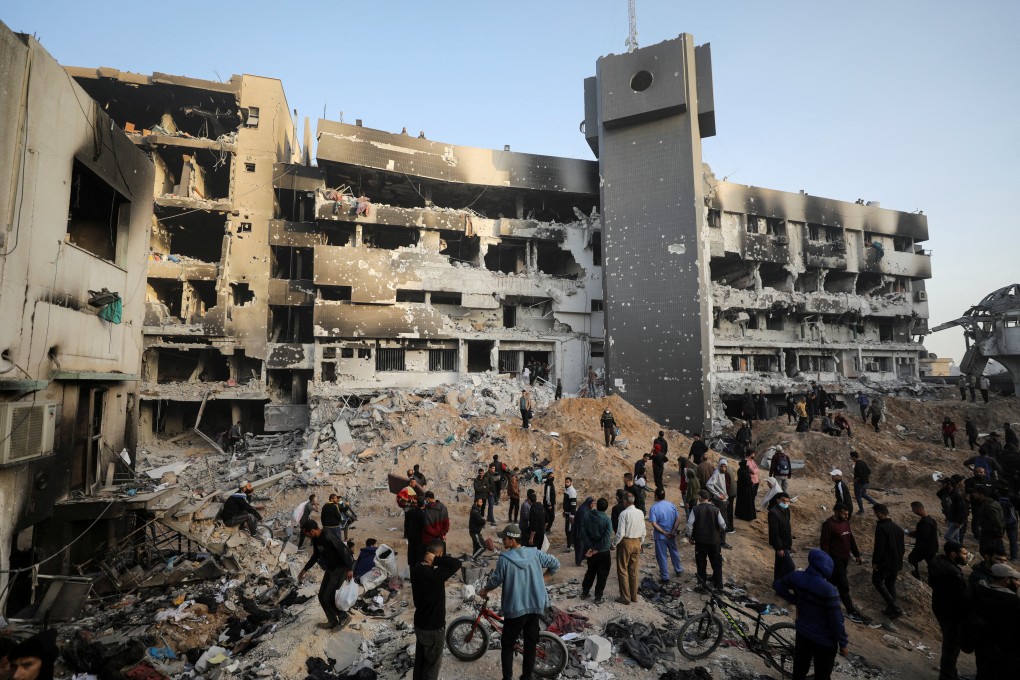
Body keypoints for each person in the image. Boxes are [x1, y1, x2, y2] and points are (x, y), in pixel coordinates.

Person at [479, 524, 560, 680]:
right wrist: (543, 579)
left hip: (516, 610)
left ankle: (507, 678)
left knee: (508, 645)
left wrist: (484, 591)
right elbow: (555, 564)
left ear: (512, 540)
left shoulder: (504, 559)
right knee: (530, 644)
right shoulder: (535, 553)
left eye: (505, 538)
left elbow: (495, 580)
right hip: (535, 607)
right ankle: (527, 677)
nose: (502, 541)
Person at [773, 549, 849, 680]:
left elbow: (777, 585)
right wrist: (843, 643)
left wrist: (795, 600)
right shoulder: (829, 590)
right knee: (822, 675)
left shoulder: (796, 576)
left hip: (802, 633)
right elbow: (836, 621)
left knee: (799, 670)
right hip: (824, 641)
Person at [410, 540, 462, 680]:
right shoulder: (435, 575)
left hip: (419, 623)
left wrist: (433, 559)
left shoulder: (415, 569)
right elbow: (457, 563)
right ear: (438, 554)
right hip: (433, 628)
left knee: (420, 663)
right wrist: (438, 559)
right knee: (432, 666)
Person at [966, 562, 1020, 680]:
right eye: (1016, 580)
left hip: (982, 647)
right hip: (1007, 653)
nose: (1018, 583)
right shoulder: (1013, 602)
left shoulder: (978, 592)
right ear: (1006, 580)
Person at [299, 519, 355, 629]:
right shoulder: (316, 539)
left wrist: (349, 568)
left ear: (312, 531)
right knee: (321, 596)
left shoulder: (328, 536)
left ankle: (344, 617)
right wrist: (305, 569)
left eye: (306, 534)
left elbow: (344, 551)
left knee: (327, 596)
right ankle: (332, 621)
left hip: (340, 569)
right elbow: (316, 555)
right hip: (330, 569)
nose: (306, 536)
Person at [928, 541, 970, 680]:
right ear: (953, 554)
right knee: (951, 648)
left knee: (950, 646)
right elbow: (960, 598)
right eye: (964, 554)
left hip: (941, 608)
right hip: (952, 614)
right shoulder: (953, 574)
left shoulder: (938, 563)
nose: (966, 557)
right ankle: (947, 675)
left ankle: (949, 673)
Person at [820, 504, 866, 623]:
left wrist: (857, 554)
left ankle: (823, 600)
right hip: (834, 560)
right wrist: (827, 561)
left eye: (847, 513)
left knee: (832, 582)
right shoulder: (828, 524)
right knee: (843, 585)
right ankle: (851, 611)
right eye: (843, 513)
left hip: (845, 558)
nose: (846, 516)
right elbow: (824, 545)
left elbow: (851, 539)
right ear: (835, 511)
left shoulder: (846, 522)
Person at [871, 503, 905, 618]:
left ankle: (894, 606)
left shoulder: (881, 528)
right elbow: (902, 547)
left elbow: (879, 547)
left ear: (880, 513)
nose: (875, 515)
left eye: (876, 513)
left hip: (885, 562)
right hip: (896, 561)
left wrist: (875, 562)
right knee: (890, 584)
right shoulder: (898, 528)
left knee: (877, 581)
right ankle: (892, 609)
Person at [688, 489, 726, 590]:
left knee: (701, 563)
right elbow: (723, 525)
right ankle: (718, 587)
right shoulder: (716, 510)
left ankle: (702, 585)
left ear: (700, 498)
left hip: (700, 541)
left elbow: (690, 525)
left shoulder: (695, 509)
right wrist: (719, 532)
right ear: (708, 498)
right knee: (716, 563)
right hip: (714, 541)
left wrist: (689, 537)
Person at [612, 492, 646, 604]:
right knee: (633, 570)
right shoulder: (640, 513)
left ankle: (625, 597)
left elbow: (620, 532)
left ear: (625, 501)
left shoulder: (624, 514)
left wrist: (614, 544)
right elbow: (644, 531)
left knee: (622, 569)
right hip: (637, 541)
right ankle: (634, 596)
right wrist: (641, 542)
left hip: (626, 542)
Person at [648, 487, 684, 583]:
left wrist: (664, 532)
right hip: (671, 535)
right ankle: (678, 570)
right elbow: (678, 519)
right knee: (674, 552)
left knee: (662, 556)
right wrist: (672, 531)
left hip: (661, 536)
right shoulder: (671, 505)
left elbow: (654, 523)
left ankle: (665, 577)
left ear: (656, 496)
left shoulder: (654, 508)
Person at [581, 498, 613, 604]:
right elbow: (606, 538)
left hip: (591, 550)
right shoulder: (607, 520)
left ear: (596, 506)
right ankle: (598, 597)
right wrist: (595, 548)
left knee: (590, 571)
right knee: (602, 574)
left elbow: (583, 531)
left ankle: (585, 592)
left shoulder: (587, 516)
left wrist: (591, 547)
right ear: (606, 507)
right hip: (603, 551)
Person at [906, 501, 938, 579]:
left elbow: (923, 536)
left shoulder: (925, 523)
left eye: (914, 509)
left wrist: (913, 534)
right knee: (931, 566)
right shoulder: (930, 520)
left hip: (925, 548)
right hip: (931, 547)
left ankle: (916, 578)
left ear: (919, 509)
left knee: (912, 559)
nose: (913, 512)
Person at [769, 491, 796, 581]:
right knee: (790, 566)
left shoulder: (786, 510)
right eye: (783, 501)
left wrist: (790, 543)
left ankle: (779, 582)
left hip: (786, 542)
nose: (785, 503)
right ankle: (780, 582)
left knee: (780, 565)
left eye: (787, 501)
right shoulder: (773, 512)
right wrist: (779, 548)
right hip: (780, 544)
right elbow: (774, 532)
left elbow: (788, 527)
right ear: (778, 500)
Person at [972, 485, 1005, 557]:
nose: (973, 494)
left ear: (981, 494)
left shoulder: (988, 506)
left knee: (988, 553)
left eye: (975, 493)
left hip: (991, 535)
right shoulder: (987, 503)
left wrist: (999, 534)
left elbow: (997, 521)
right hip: (990, 534)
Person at [707, 458, 734, 537]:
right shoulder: (717, 473)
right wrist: (718, 494)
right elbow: (709, 484)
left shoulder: (724, 474)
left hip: (724, 499)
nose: (723, 468)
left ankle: (720, 537)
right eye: (722, 466)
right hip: (719, 500)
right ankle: (721, 539)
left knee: (722, 519)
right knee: (722, 520)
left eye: (725, 466)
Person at [848, 450, 877, 515]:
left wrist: (856, 480)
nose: (852, 459)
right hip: (866, 482)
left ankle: (861, 510)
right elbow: (869, 472)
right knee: (863, 494)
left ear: (854, 457)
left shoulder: (857, 465)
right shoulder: (863, 463)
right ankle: (875, 504)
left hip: (859, 483)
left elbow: (859, 475)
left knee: (858, 496)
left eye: (852, 457)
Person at [572, 496, 595, 566]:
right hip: (579, 531)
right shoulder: (583, 511)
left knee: (584, 546)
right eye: (592, 503)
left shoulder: (585, 508)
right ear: (589, 503)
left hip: (581, 531)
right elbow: (582, 523)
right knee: (580, 547)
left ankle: (582, 558)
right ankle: (578, 562)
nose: (593, 505)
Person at [404, 496, 426, 568]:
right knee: (419, 557)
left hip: (411, 537)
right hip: (420, 538)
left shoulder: (409, 512)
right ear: (423, 504)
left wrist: (407, 534)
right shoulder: (423, 514)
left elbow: (406, 525)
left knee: (411, 556)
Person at [735, 455, 757, 522]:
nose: (748, 465)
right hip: (746, 490)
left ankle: (739, 514)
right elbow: (748, 481)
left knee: (740, 502)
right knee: (747, 503)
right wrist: (751, 483)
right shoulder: (745, 472)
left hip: (741, 489)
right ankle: (747, 516)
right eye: (747, 463)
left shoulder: (740, 470)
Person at [562, 477, 577, 550]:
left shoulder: (572, 491)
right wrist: (564, 511)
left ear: (571, 482)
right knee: (568, 529)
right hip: (567, 513)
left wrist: (572, 515)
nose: (566, 483)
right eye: (565, 482)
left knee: (569, 530)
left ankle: (569, 546)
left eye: (568, 482)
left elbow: (573, 504)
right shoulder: (567, 490)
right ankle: (571, 543)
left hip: (570, 514)